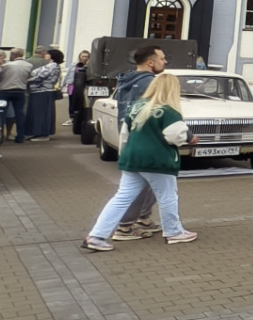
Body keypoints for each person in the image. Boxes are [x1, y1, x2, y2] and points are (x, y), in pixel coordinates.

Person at [80, 71, 197, 251]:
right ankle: (173, 232)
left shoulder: (137, 106)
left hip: (132, 157)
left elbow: (125, 134)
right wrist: (190, 139)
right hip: (156, 160)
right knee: (167, 196)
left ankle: (97, 235)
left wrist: (123, 154)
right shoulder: (169, 111)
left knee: (121, 197)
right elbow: (175, 136)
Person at [109, 45, 170, 239]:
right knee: (139, 185)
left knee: (147, 182)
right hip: (146, 140)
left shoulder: (127, 80)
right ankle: (125, 227)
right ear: (150, 62)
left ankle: (143, 217)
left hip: (130, 136)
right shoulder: (151, 83)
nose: (165, 62)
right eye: (162, 59)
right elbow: (159, 112)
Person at [0, 48, 32, 141]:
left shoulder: (7, 65)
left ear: (14, 55)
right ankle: (20, 136)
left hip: (5, 91)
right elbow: (30, 76)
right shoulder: (29, 65)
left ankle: (0, 136)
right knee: (19, 113)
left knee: (1, 113)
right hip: (20, 91)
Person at [26, 48, 63, 140]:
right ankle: (39, 133)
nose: (46, 55)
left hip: (42, 91)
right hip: (41, 91)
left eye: (48, 54)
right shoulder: (53, 65)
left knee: (40, 113)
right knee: (40, 113)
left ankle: (41, 133)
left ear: (52, 56)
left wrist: (27, 80)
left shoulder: (52, 65)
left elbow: (40, 76)